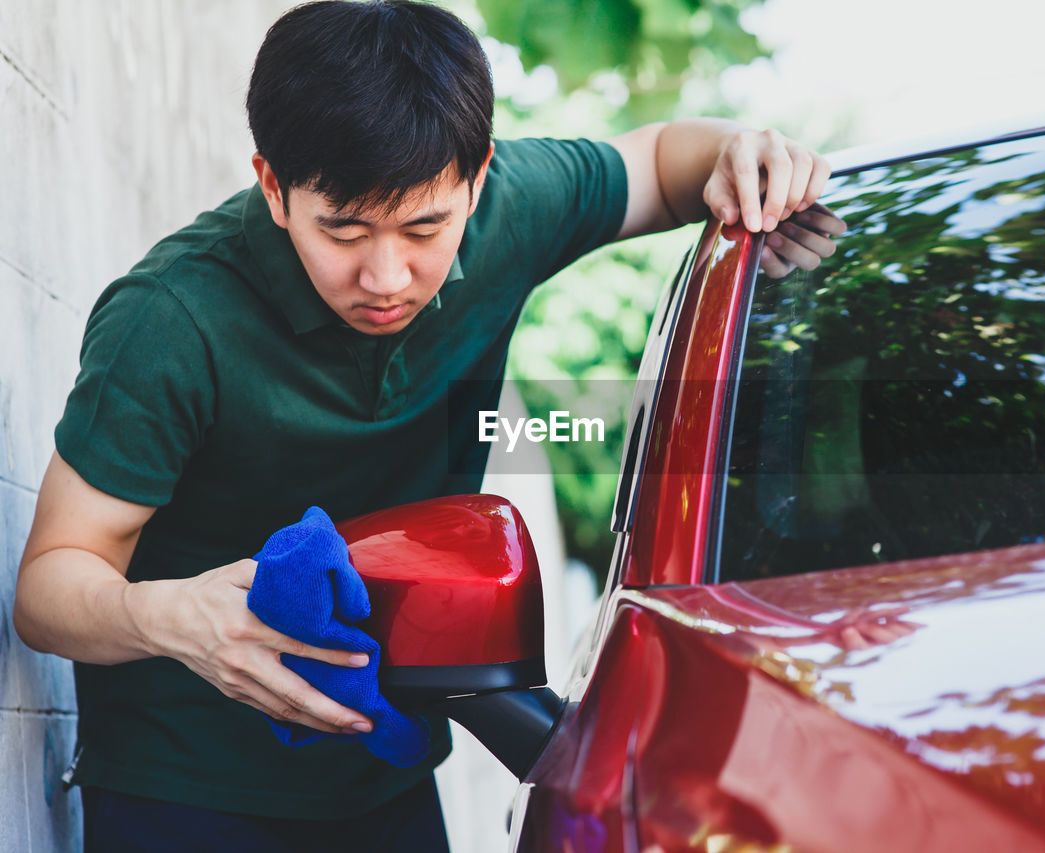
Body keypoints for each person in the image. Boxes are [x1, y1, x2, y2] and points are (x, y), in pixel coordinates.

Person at [13, 1, 839, 850]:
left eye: (423, 228)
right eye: (343, 229)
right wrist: (177, 619)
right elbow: (48, 585)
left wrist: (741, 147)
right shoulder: (168, 319)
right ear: (272, 185)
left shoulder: (511, 209)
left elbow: (664, 163)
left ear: (476, 180)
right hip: (182, 787)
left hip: (389, 777)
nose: (385, 274)